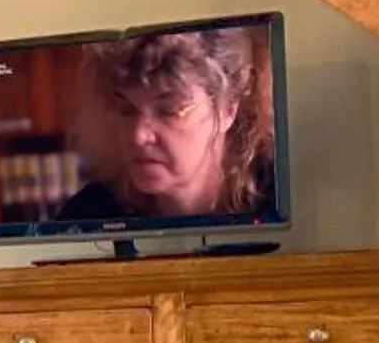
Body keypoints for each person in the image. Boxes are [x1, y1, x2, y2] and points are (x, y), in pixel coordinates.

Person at [53, 26, 274, 223]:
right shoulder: (89, 216)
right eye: (126, 109)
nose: (138, 135)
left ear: (227, 109)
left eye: (169, 110)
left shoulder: (279, 200)